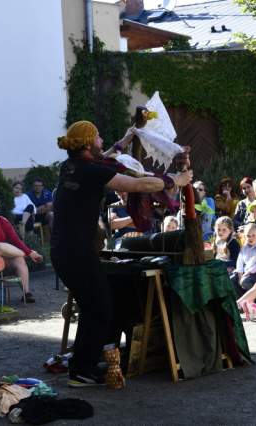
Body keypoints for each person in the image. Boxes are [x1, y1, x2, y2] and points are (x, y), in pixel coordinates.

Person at [51, 120, 192, 387]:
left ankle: (83, 366)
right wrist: (176, 180)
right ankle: (82, 370)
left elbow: (105, 158)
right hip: (76, 252)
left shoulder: (71, 166)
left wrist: (127, 139)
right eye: (98, 136)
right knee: (100, 307)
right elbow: (137, 184)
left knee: (95, 305)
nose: (101, 140)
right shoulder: (91, 171)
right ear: (87, 143)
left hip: (67, 251)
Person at [230, 223, 256, 296]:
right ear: (245, 236)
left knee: (246, 281)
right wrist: (240, 273)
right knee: (231, 280)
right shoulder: (244, 247)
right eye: (248, 236)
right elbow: (240, 260)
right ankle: (240, 298)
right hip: (245, 272)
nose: (251, 238)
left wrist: (249, 271)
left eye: (253, 235)